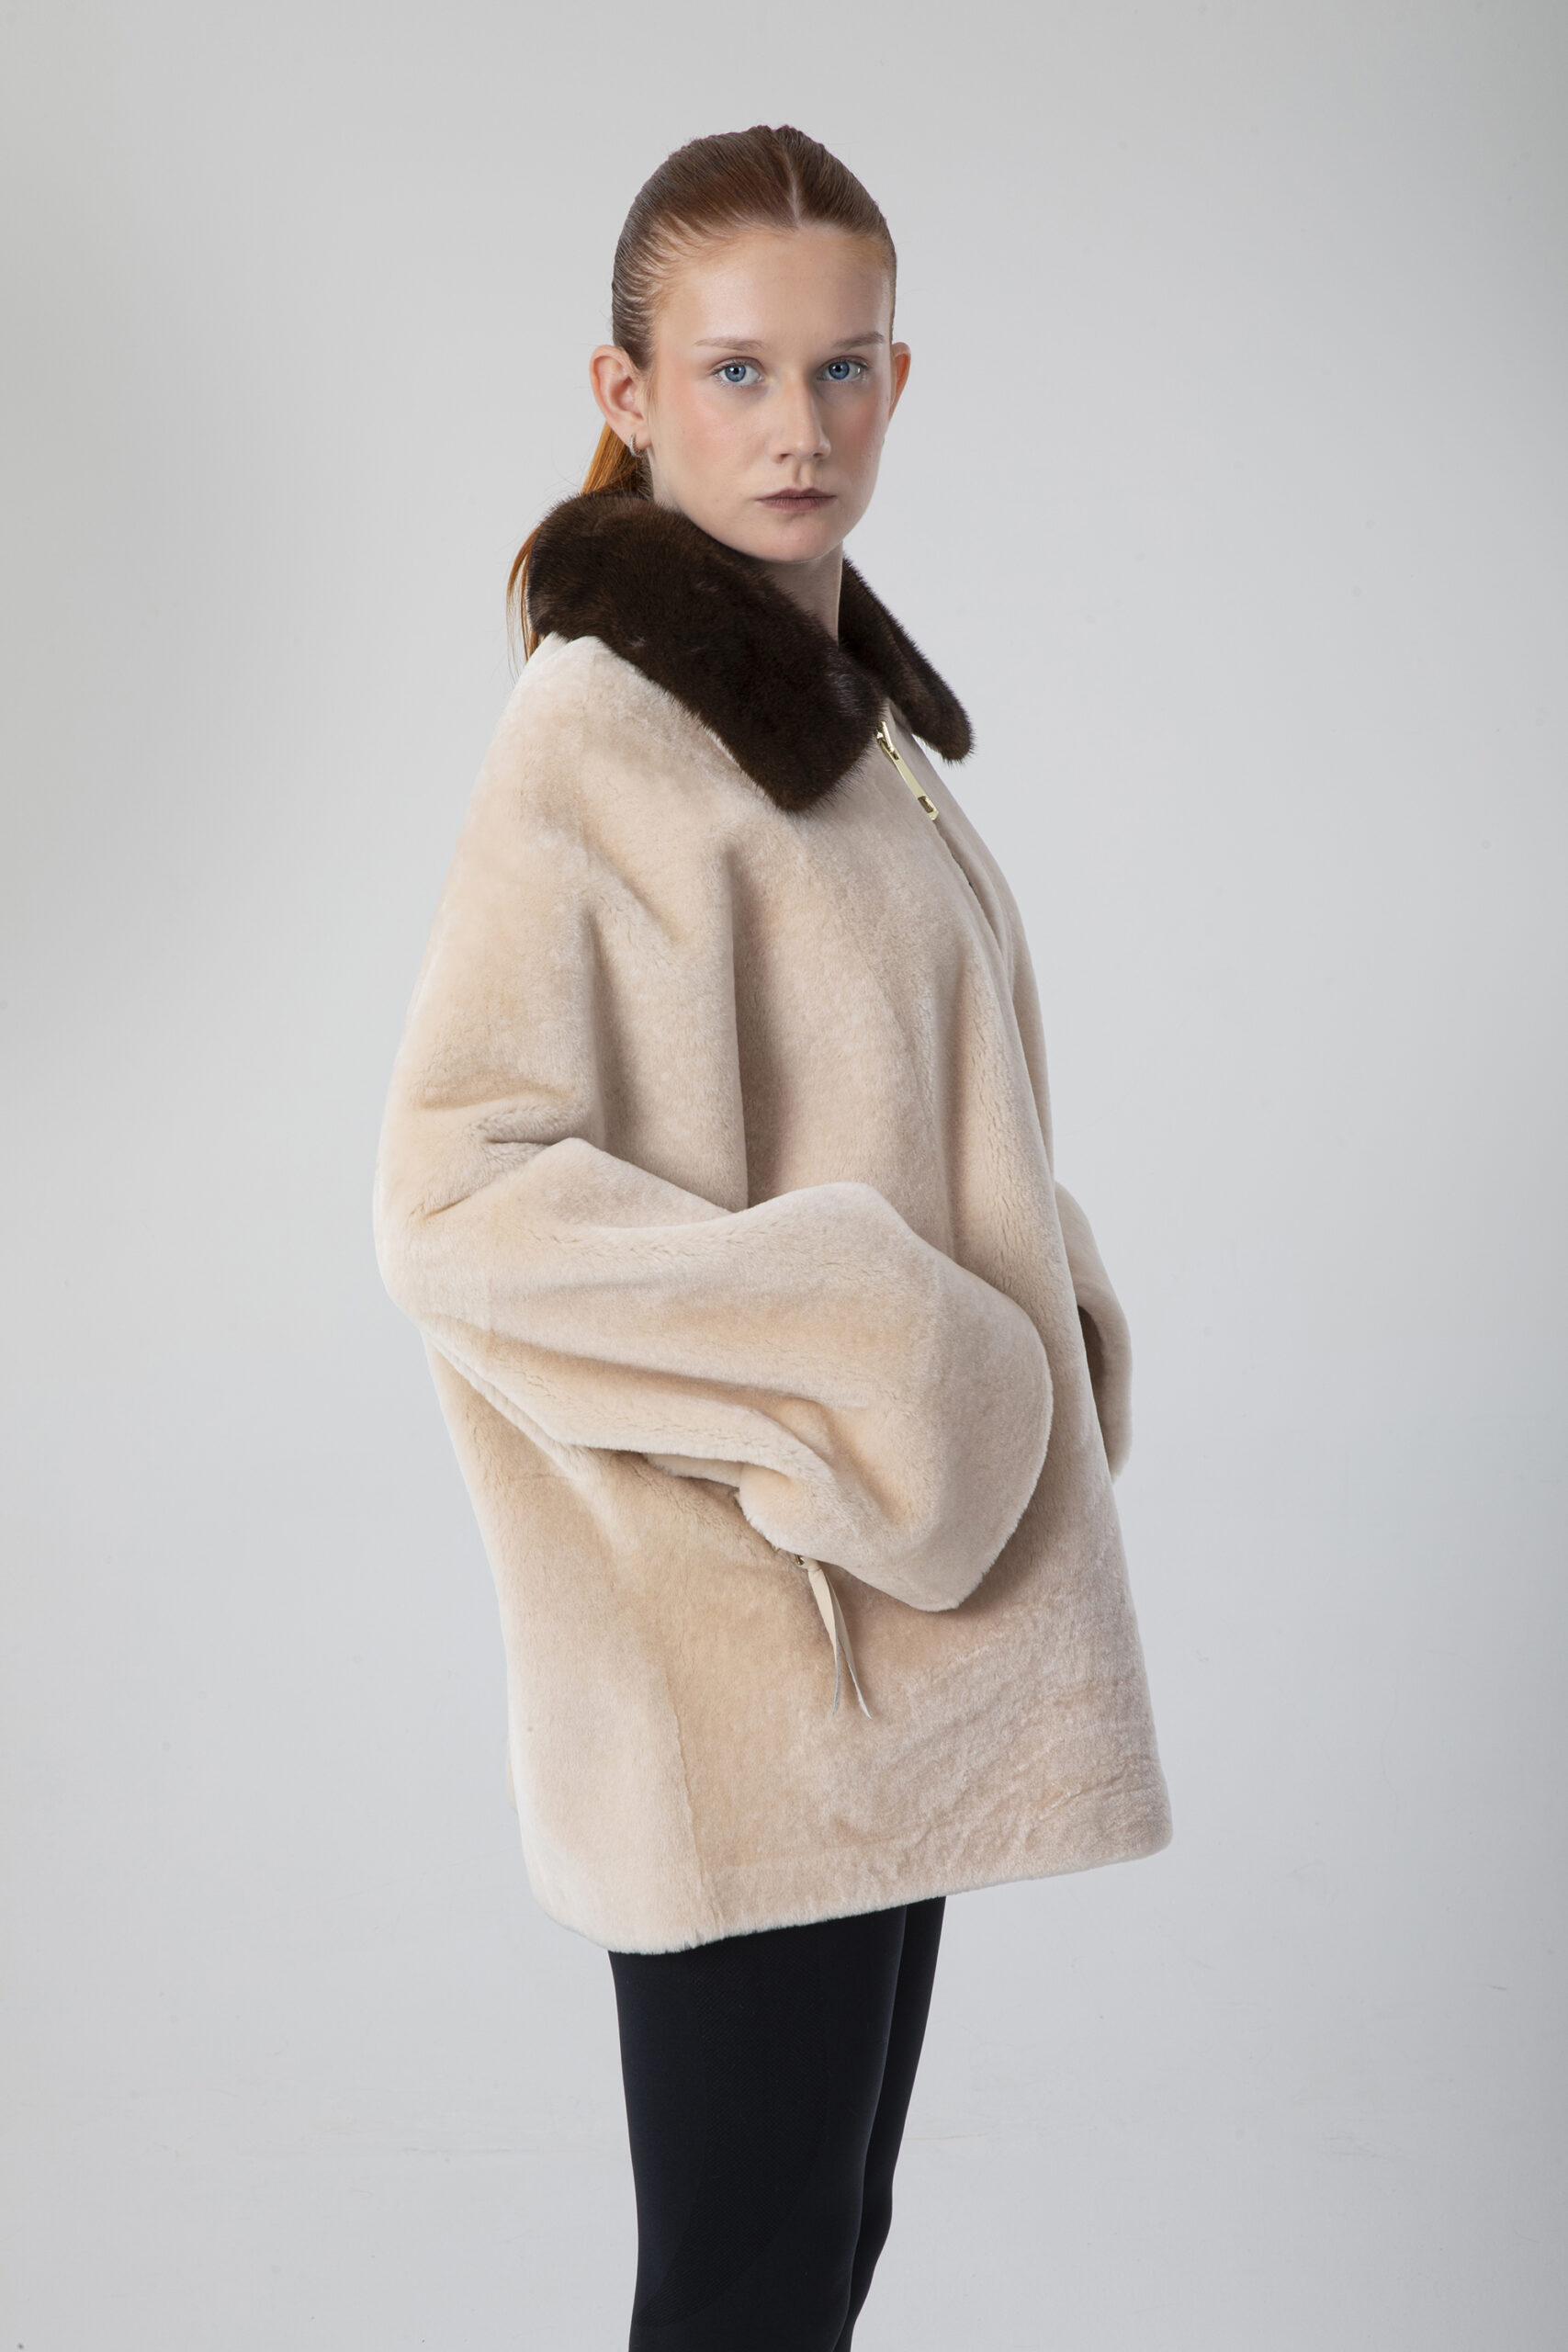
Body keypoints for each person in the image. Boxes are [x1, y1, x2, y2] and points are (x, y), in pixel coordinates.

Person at [374, 122, 1171, 2352]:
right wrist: (894, 1351)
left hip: (875, 1626)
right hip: (739, 1646)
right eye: (732, 371)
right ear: (626, 394)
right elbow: (452, 1194)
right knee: (744, 2287)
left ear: (895, 382)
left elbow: (910, 1102)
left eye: (838, 369)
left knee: (812, 2260)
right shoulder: (603, 729)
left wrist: (1037, 1299)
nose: (795, 425)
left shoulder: (838, 722)